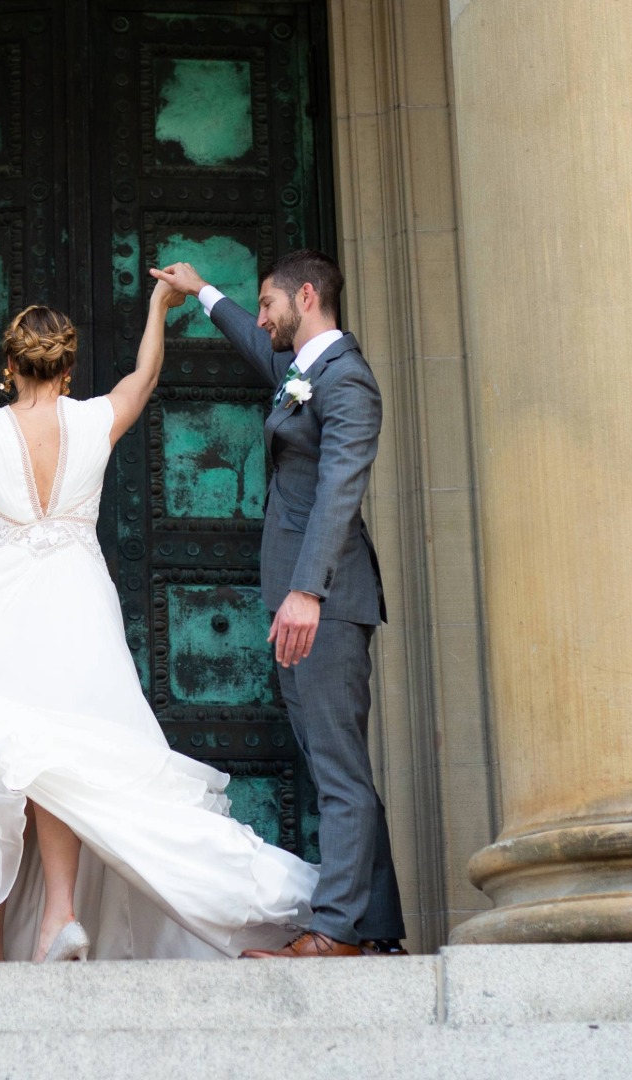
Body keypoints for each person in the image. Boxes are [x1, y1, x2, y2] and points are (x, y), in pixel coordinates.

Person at [0, 282, 315, 963]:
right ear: (66, 366)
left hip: (3, 608)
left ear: (10, 365)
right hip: (78, 604)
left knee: (13, 757)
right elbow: (145, 377)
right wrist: (156, 309)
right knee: (62, 754)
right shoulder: (93, 421)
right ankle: (56, 916)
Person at [149, 252, 407, 959]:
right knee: (338, 766)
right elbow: (260, 349)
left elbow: (338, 492)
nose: (262, 319)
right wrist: (203, 293)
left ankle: (333, 933)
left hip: (322, 603)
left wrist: (306, 590)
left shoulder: (347, 381)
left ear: (307, 294)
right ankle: (375, 929)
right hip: (303, 601)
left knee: (339, 773)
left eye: (268, 304)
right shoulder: (305, 372)